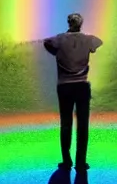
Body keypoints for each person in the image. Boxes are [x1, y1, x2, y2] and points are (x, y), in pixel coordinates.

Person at [43, 13, 103, 172]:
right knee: (83, 125)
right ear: (81, 24)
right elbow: (99, 42)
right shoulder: (88, 39)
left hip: (64, 86)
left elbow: (47, 43)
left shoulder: (59, 39)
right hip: (82, 85)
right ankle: (81, 162)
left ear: (68, 23)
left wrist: (58, 52)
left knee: (66, 123)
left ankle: (66, 160)